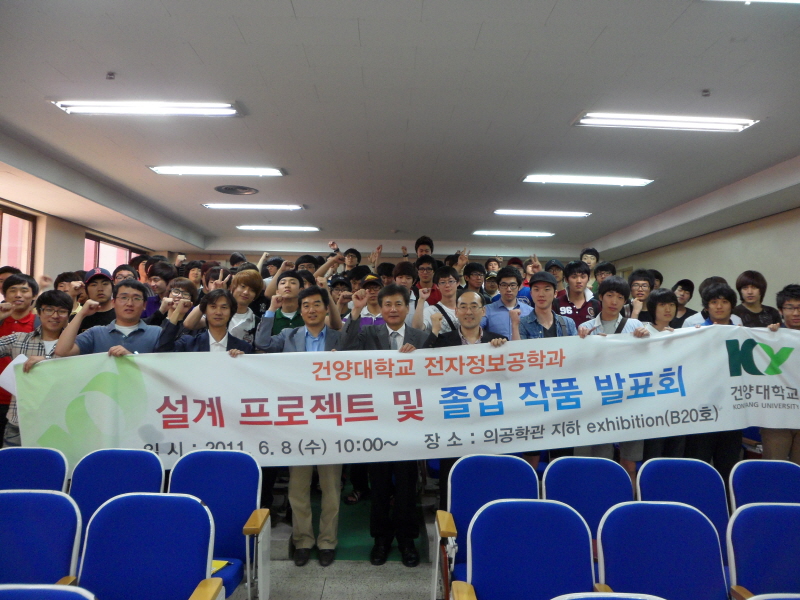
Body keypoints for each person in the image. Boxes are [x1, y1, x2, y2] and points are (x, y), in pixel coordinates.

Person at [341, 283, 434, 568]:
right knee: (379, 484)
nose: (393, 309)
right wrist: (355, 312)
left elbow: (434, 376)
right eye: (387, 304)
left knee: (406, 485)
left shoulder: (421, 337)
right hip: (377, 421)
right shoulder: (369, 333)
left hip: (409, 421)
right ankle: (380, 540)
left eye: (398, 304)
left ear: (407, 307)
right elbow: (345, 351)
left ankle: (407, 540)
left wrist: (416, 360)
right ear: (380, 308)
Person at [255, 286, 343, 567]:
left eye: (317, 304)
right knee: (298, 488)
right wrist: (271, 308)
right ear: (300, 310)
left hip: (331, 421)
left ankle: (327, 541)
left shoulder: (340, 339)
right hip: (298, 423)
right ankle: (303, 540)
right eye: (306, 305)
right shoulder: (288, 335)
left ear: (326, 308)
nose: (311, 310)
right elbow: (262, 343)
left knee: (331, 488)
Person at [429, 290, 508, 507]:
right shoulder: (442, 342)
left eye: (474, 306)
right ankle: (449, 524)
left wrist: (503, 352)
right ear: (456, 312)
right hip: (454, 422)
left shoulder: (499, 342)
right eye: (463, 307)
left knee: (488, 478)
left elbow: (510, 380)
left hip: (489, 424)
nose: (468, 312)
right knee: (452, 480)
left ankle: (489, 518)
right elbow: (425, 373)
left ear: (483, 311)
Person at [577, 276, 644, 482]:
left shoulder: (634, 325)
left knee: (630, 462)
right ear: (600, 297)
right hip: (599, 400)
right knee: (600, 460)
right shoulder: (586, 327)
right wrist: (582, 342)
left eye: (620, 297)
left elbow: (649, 358)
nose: (614, 301)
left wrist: (646, 338)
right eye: (609, 295)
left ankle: (629, 497)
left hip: (630, 399)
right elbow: (578, 365)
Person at [683, 282, 741, 486]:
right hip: (701, 411)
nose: (719, 306)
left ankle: (727, 502)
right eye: (714, 302)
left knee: (728, 468)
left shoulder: (742, 334)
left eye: (724, 302)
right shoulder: (694, 333)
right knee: (698, 467)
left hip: (733, 412)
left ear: (732, 305)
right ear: (706, 307)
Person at [632, 288, 686, 460]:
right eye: (662, 305)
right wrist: (636, 338)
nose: (668, 309)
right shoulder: (640, 332)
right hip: (651, 409)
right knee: (653, 455)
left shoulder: (681, 335)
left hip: (677, 408)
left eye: (672, 305)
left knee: (675, 456)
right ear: (653, 308)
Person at [55, 280, 162, 356]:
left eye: (136, 298)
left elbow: (163, 368)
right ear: (113, 302)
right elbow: (62, 351)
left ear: (144, 305)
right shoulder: (96, 333)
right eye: (124, 297)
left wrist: (130, 358)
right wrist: (82, 313)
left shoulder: (157, 333)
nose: (129, 303)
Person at [761, 284, 800, 464]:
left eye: (799, 307)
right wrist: (770, 335)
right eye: (790, 307)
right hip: (777, 417)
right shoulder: (771, 336)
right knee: (774, 468)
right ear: (780, 310)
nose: (796, 312)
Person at [157, 288, 252, 355]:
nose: (218, 312)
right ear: (204, 311)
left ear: (231, 311)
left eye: (224, 307)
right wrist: (178, 312)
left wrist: (242, 360)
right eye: (213, 307)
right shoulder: (189, 343)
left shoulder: (243, 347)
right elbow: (163, 350)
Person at [0, 274, 39, 436]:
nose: (18, 295)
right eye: (12, 290)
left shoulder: (40, 323)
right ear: (4, 295)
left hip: (25, 400)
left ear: (34, 295)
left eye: (24, 290)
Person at [516, 272, 578, 339]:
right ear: (531, 293)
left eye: (547, 289)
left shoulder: (568, 323)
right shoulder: (522, 324)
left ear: (555, 293)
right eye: (536, 289)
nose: (541, 294)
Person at [481, 267, 533, 340]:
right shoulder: (486, 310)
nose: (508, 289)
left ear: (519, 287)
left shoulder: (530, 311)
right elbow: (476, 333)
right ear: (498, 287)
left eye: (512, 285)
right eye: (504, 285)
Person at [414, 266, 460, 334]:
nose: (447, 285)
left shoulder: (466, 309)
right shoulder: (431, 311)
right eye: (443, 282)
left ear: (458, 283)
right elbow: (417, 328)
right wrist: (421, 300)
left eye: (450, 281)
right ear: (437, 286)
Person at [554, 260, 600, 328]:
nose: (579, 281)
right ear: (566, 279)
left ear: (588, 279)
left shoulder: (596, 304)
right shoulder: (556, 303)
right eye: (574, 277)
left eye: (583, 277)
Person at [74, 268, 116, 332]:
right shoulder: (79, 317)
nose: (100, 289)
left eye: (105, 284)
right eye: (94, 285)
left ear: (112, 287)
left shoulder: (121, 315)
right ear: (86, 289)